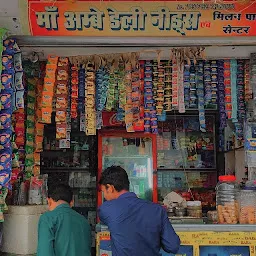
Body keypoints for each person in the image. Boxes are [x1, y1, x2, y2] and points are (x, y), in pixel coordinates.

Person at [98, 165, 180, 256]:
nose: (104, 196)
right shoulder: (157, 210)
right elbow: (172, 246)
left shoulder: (106, 209)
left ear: (110, 188)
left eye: (103, 192)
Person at [37, 184, 91, 256]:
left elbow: (44, 252)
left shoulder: (47, 218)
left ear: (49, 201)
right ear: (72, 202)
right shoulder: (84, 221)